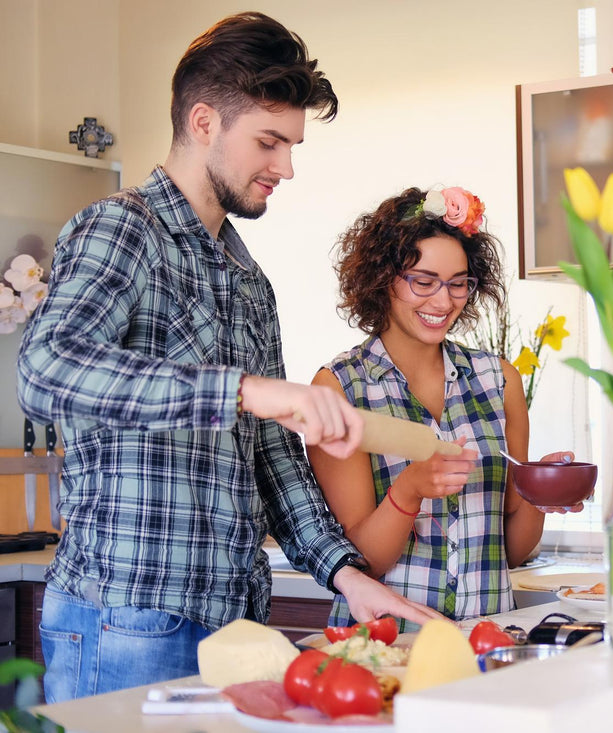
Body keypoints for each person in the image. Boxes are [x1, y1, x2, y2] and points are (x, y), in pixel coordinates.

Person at [17, 12, 442, 703]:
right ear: (206, 122)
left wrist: (346, 574)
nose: (286, 167)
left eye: (292, 145)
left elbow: (273, 454)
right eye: (269, 142)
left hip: (237, 626)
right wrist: (242, 389)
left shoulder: (248, 280)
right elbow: (44, 369)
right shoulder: (123, 228)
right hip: (129, 621)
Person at [307, 186, 580, 628]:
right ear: (382, 280)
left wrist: (538, 493)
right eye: (423, 281)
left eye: (458, 284)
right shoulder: (340, 389)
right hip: (387, 643)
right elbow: (362, 564)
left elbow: (511, 550)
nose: (443, 301)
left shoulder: (499, 380)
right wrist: (410, 488)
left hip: (484, 640)